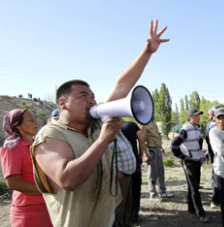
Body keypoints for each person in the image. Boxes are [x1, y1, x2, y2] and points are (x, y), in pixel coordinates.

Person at [30, 20, 169, 227]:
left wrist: (147, 52)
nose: (92, 101)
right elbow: (67, 180)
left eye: (93, 97)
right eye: (83, 95)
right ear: (63, 103)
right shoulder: (49, 135)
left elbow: (122, 84)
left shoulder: (93, 124)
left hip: (107, 220)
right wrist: (103, 140)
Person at [0, 109, 52, 227]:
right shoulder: (12, 148)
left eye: (35, 119)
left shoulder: (37, 145)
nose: (36, 123)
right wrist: (46, 190)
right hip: (29, 210)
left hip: (46, 205)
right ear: (18, 126)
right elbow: (13, 182)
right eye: (31, 120)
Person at [171, 109, 209, 223]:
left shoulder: (196, 129)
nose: (198, 117)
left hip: (196, 161)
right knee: (195, 188)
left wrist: (202, 153)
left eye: (199, 116)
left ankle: (191, 209)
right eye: (195, 116)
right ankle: (201, 213)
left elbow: (196, 144)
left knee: (193, 186)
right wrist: (183, 156)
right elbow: (174, 145)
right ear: (189, 118)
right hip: (189, 163)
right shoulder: (185, 129)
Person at [108, 118, 136, 227]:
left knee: (128, 205)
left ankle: (127, 224)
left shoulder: (120, 134)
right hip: (120, 179)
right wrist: (115, 175)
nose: (123, 120)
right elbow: (106, 158)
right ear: (113, 121)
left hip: (128, 177)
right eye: (120, 119)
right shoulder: (109, 137)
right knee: (119, 208)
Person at [121, 120, 150, 223]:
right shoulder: (132, 125)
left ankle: (123, 217)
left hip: (120, 166)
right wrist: (141, 155)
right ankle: (134, 216)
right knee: (136, 190)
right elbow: (141, 141)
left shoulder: (110, 126)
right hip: (134, 162)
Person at [140, 118, 173, 199]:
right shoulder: (144, 122)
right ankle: (153, 193)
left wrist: (161, 147)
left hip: (157, 148)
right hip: (151, 150)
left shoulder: (153, 121)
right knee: (152, 173)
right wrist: (146, 154)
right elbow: (142, 140)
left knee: (160, 171)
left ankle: (162, 191)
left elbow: (157, 135)